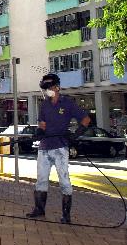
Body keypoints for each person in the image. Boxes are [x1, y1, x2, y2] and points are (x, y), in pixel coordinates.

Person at [26, 73, 90, 224]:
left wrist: (76, 133)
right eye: (45, 89)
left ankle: (66, 215)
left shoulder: (67, 103)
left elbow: (86, 119)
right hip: (44, 148)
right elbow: (42, 124)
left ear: (57, 87)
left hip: (60, 148)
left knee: (64, 181)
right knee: (41, 180)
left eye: (49, 88)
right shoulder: (44, 104)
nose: (47, 91)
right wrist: (39, 132)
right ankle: (39, 209)